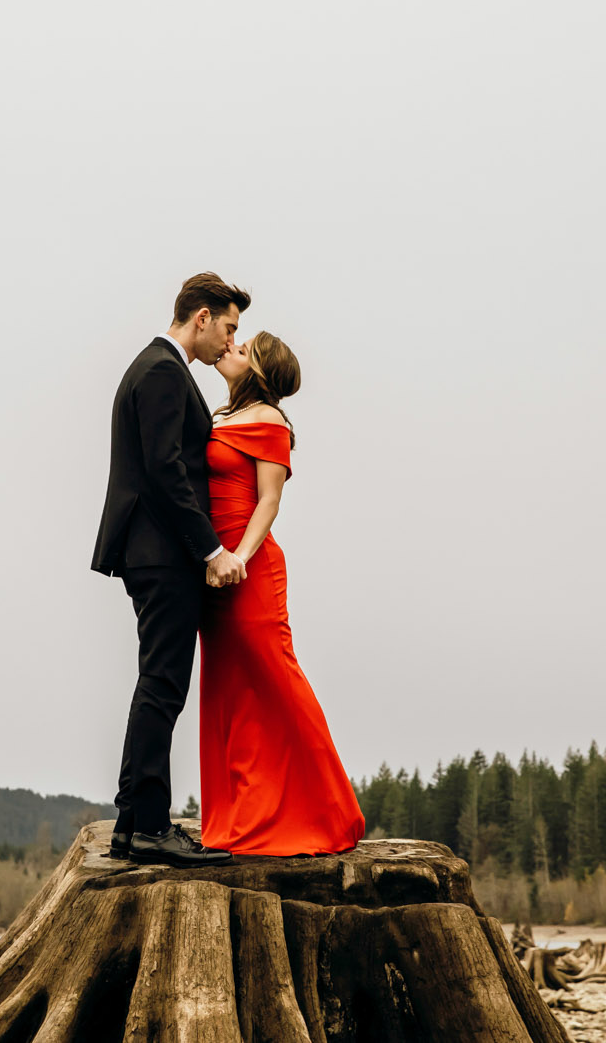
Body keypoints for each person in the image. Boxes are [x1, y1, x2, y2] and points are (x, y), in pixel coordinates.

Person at [91, 272, 249, 866]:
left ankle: (133, 824)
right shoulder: (161, 370)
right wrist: (211, 551)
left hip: (152, 551)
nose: (229, 342)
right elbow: (165, 471)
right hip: (162, 553)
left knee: (157, 683)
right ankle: (152, 826)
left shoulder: (158, 367)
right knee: (163, 685)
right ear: (201, 316)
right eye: (228, 328)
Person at [198, 331, 366, 855]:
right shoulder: (218, 419)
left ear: (260, 373)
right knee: (229, 691)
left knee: (277, 682)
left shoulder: (270, 421)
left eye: (243, 349)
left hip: (248, 570)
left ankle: (332, 812)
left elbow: (268, 502)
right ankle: (243, 817)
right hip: (212, 573)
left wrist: (238, 560)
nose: (231, 347)